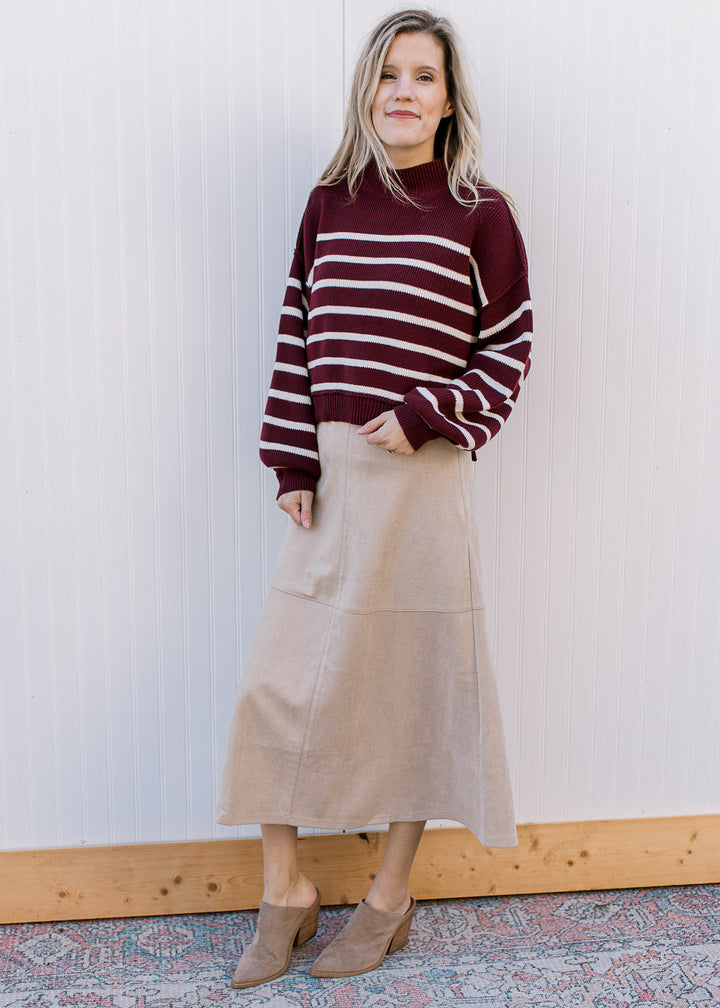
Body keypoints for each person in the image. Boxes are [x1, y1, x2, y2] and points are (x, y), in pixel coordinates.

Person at [216, 7, 533, 989]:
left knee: (416, 690)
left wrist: (433, 412)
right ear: (368, 92)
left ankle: (389, 898)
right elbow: (295, 333)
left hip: (425, 485)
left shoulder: (483, 212)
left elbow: (510, 350)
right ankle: (287, 890)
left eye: (424, 76)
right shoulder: (330, 202)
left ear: (448, 100)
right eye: (388, 73)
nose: (403, 89)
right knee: (278, 682)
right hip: (335, 482)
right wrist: (290, 464)